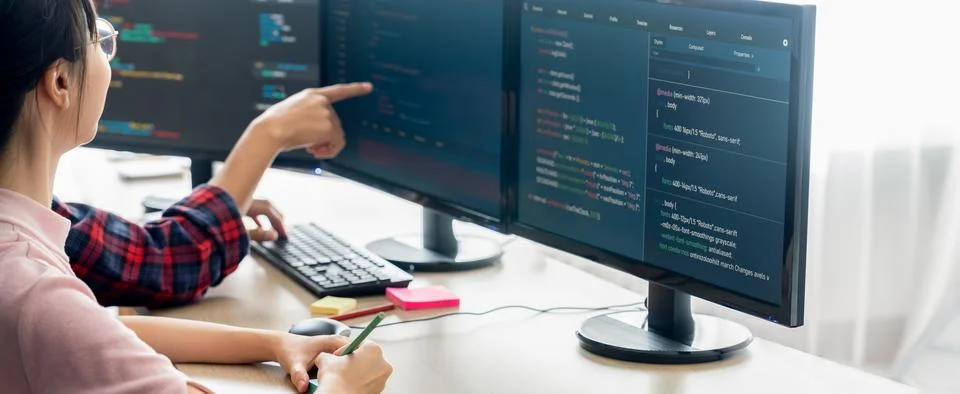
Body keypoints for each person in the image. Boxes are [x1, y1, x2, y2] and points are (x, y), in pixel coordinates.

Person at [0, 0, 393, 393]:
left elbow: (93, 330)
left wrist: (274, 342)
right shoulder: (36, 290)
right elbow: (69, 322)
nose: (108, 56)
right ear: (60, 84)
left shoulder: (28, 263)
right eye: (98, 38)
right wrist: (347, 388)